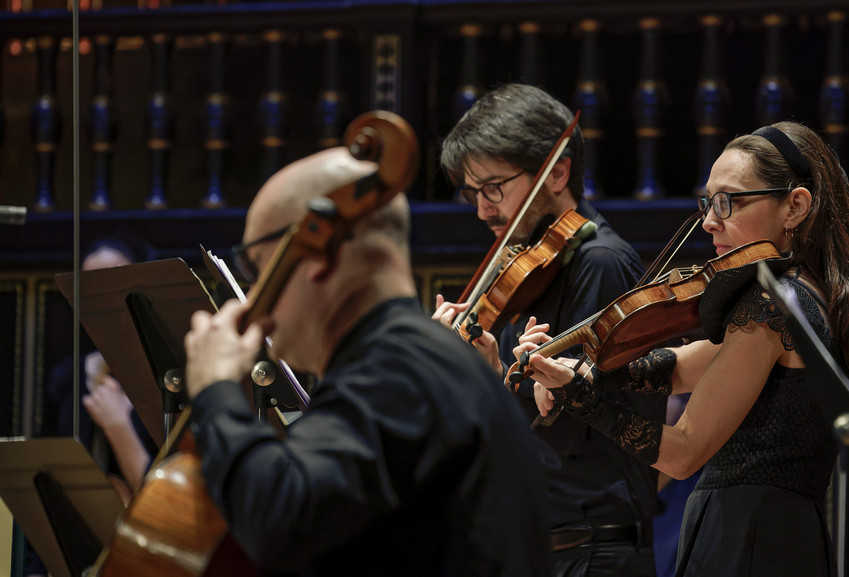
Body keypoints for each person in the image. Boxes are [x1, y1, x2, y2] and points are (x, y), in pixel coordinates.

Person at [520, 122, 849, 576]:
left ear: (795, 206)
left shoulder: (771, 305)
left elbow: (683, 452)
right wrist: (579, 368)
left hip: (747, 538)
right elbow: (675, 368)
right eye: (708, 202)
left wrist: (584, 399)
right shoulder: (807, 299)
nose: (709, 220)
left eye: (727, 202)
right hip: (781, 534)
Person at [182, 146, 550, 575]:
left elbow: (281, 519)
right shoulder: (417, 358)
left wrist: (215, 389)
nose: (255, 296)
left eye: (258, 265)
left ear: (319, 257)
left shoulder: (397, 369)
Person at [433, 84, 659, 575]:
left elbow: (571, 430)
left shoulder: (600, 263)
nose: (482, 209)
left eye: (494, 188)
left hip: (591, 550)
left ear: (556, 172)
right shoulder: (529, 271)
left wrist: (489, 381)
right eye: (473, 193)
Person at [27, 240, 157, 577]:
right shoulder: (65, 378)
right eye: (88, 289)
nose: (100, 300)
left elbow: (171, 507)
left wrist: (117, 427)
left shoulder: (172, 380)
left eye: (113, 283)